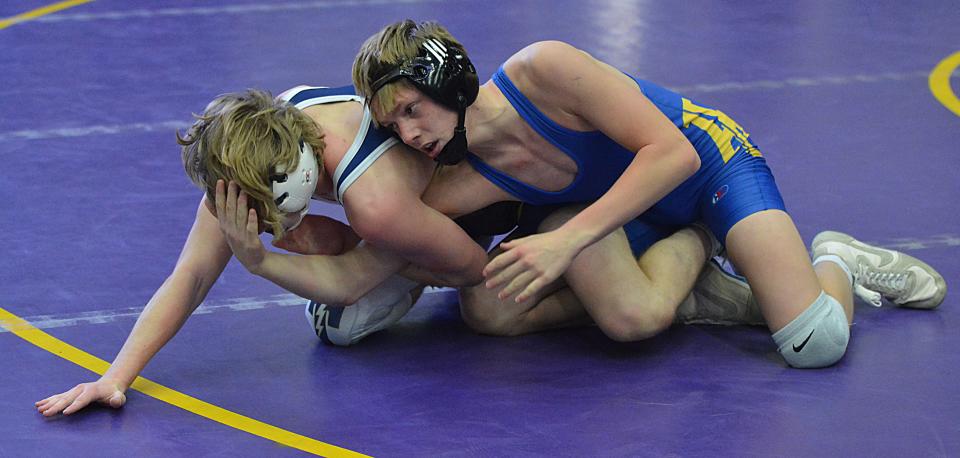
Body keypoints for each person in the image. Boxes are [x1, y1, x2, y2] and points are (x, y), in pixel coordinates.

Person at [35, 84, 749, 417]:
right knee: (341, 325)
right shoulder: (263, 145)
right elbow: (189, 276)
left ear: (296, 175)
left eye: (266, 214)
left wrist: (284, 261)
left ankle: (663, 255)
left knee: (481, 305)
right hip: (393, 223)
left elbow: (467, 267)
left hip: (474, 218)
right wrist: (114, 376)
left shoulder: (374, 193)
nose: (258, 223)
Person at [352, 20, 947, 367]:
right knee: (488, 308)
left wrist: (567, 242)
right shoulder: (458, 175)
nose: (408, 133)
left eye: (412, 109)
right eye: (393, 125)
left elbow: (672, 153)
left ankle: (836, 260)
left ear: (449, 80)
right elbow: (395, 240)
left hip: (708, 168)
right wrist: (289, 260)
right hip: (629, 208)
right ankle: (691, 284)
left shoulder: (545, 70)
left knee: (815, 343)